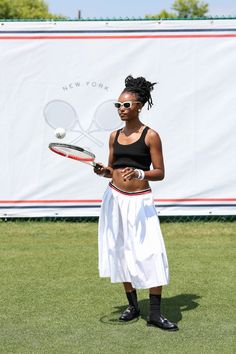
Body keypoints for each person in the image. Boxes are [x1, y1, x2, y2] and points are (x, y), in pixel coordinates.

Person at [94, 75, 178, 331]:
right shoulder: (113, 136)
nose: (121, 109)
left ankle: (154, 313)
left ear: (139, 105)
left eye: (126, 105)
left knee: (151, 252)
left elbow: (160, 172)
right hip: (114, 198)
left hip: (140, 201)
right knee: (120, 250)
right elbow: (112, 168)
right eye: (118, 105)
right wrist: (104, 172)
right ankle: (132, 305)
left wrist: (141, 173)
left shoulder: (151, 135)